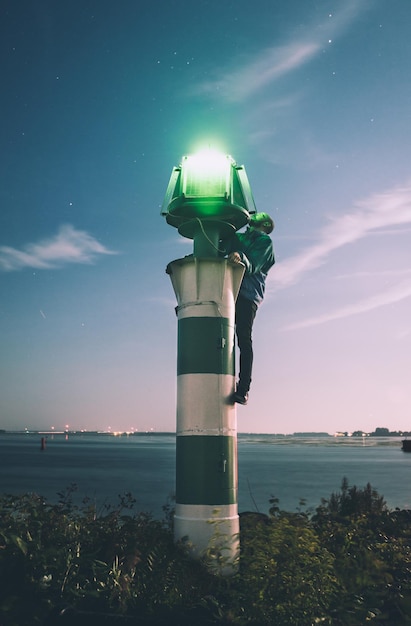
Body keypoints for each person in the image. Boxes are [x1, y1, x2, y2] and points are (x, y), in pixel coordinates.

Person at [224, 212, 275, 405]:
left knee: (243, 338)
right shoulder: (239, 237)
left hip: (247, 295)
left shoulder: (265, 242)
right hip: (227, 291)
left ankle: (243, 389)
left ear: (266, 223)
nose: (255, 213)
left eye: (260, 215)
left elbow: (253, 264)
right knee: (227, 337)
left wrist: (240, 257)